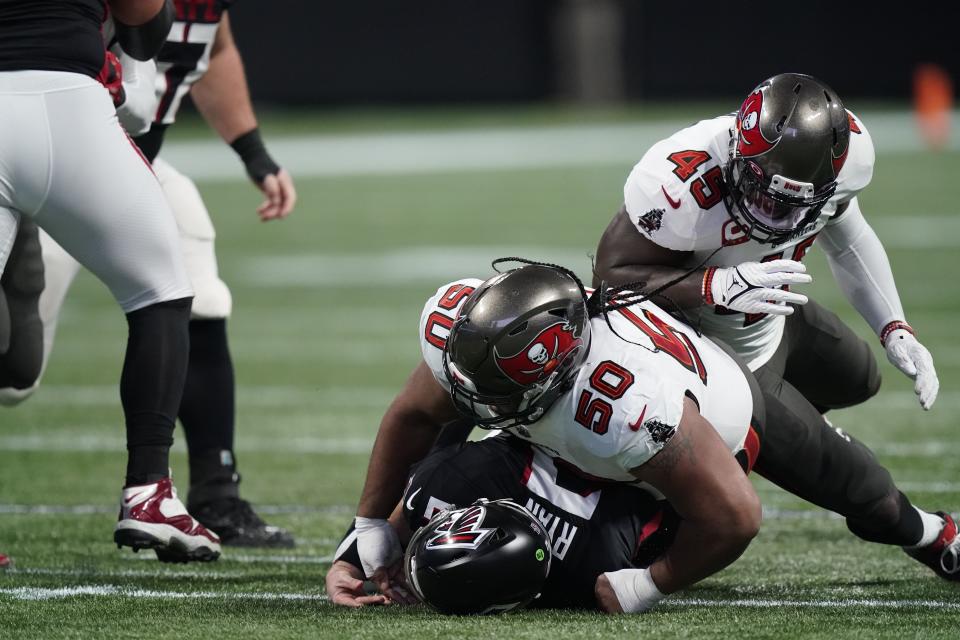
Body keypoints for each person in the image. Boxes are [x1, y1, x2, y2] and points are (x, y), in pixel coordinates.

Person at [593, 72, 955, 578]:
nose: (773, 215)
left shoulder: (845, 160)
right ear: (740, 157)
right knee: (865, 488)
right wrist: (714, 286)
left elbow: (849, 240)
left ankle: (746, 451)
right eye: (763, 194)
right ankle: (937, 537)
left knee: (860, 377)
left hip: (770, 314)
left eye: (792, 203)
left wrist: (895, 326)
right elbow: (610, 279)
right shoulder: (681, 181)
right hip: (716, 360)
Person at [0, 1, 296, 547]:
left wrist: (254, 153)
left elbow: (218, 48)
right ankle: (149, 493)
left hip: (113, 160)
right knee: (17, 373)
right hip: (74, 140)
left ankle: (217, 491)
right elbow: (141, 30)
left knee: (197, 281)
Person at [355, 261, 768, 613]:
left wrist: (648, 586)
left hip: (715, 420)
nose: (479, 410)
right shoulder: (465, 333)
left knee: (597, 566)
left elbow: (734, 515)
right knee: (435, 489)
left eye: (498, 395)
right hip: (584, 452)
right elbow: (414, 415)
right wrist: (368, 531)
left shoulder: (621, 403)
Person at [327, 428, 681, 611]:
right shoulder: (445, 483)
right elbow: (705, 521)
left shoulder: (595, 570)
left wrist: (353, 557)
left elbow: (429, 416)